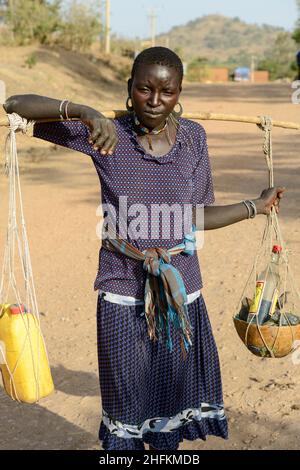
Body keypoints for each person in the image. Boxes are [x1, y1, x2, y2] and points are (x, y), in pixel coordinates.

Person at [3, 47, 285, 451]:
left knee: (171, 407)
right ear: (129, 89)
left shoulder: (193, 138)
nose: (155, 101)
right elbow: (16, 105)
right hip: (122, 292)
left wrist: (254, 207)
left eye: (166, 91)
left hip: (181, 292)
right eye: (144, 89)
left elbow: (196, 215)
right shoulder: (104, 134)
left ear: (179, 92)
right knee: (126, 410)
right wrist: (85, 111)